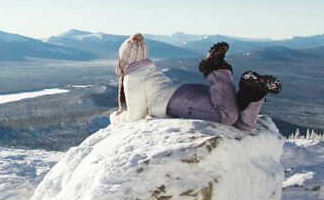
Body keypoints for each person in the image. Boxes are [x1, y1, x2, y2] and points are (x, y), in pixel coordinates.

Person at [109, 33, 281, 130]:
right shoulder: (147, 68)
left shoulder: (132, 78)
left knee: (226, 115)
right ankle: (253, 92)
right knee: (243, 125)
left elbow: (136, 115)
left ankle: (216, 68)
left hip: (176, 101)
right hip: (184, 92)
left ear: (124, 58)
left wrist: (117, 118)